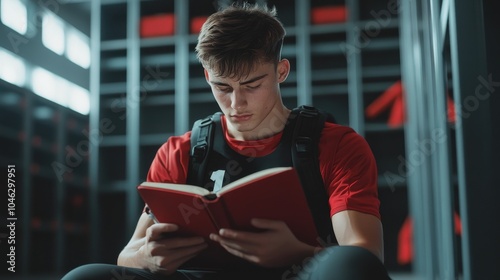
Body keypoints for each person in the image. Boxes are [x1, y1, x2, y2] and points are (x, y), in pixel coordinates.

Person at [62, 2, 390, 280]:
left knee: (349, 264)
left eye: (252, 84)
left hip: (300, 273)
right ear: (207, 76)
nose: (236, 103)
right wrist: (148, 257)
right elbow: (127, 255)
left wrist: (300, 253)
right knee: (85, 276)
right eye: (222, 87)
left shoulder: (337, 145)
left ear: (281, 71)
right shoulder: (180, 151)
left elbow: (364, 253)